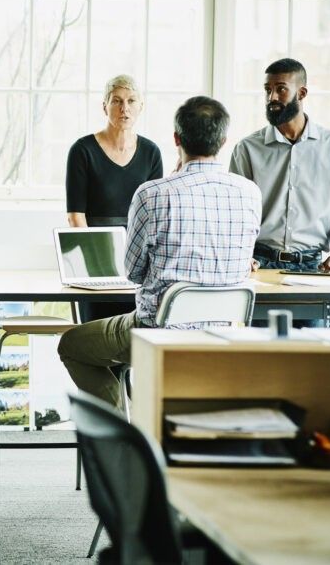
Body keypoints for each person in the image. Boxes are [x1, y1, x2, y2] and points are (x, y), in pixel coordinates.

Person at [58, 97, 261, 409]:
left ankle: (119, 439)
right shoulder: (250, 193)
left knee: (71, 345)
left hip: (157, 332)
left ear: (176, 139)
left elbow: (133, 272)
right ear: (223, 141)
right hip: (221, 333)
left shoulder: (153, 193)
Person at [229, 58, 330, 285]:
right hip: (258, 262)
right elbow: (235, 212)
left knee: (314, 322)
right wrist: (242, 256)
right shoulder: (247, 149)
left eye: (281, 89)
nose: (272, 98)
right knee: (257, 323)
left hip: (314, 266)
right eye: (267, 90)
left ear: (301, 93)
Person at [66, 75, 163, 322]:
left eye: (131, 101)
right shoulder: (82, 150)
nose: (124, 108)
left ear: (141, 107)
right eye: (117, 101)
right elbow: (76, 216)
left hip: (139, 262)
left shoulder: (151, 152)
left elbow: (156, 216)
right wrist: (98, 266)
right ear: (104, 106)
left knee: (135, 336)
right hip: (94, 259)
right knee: (95, 334)